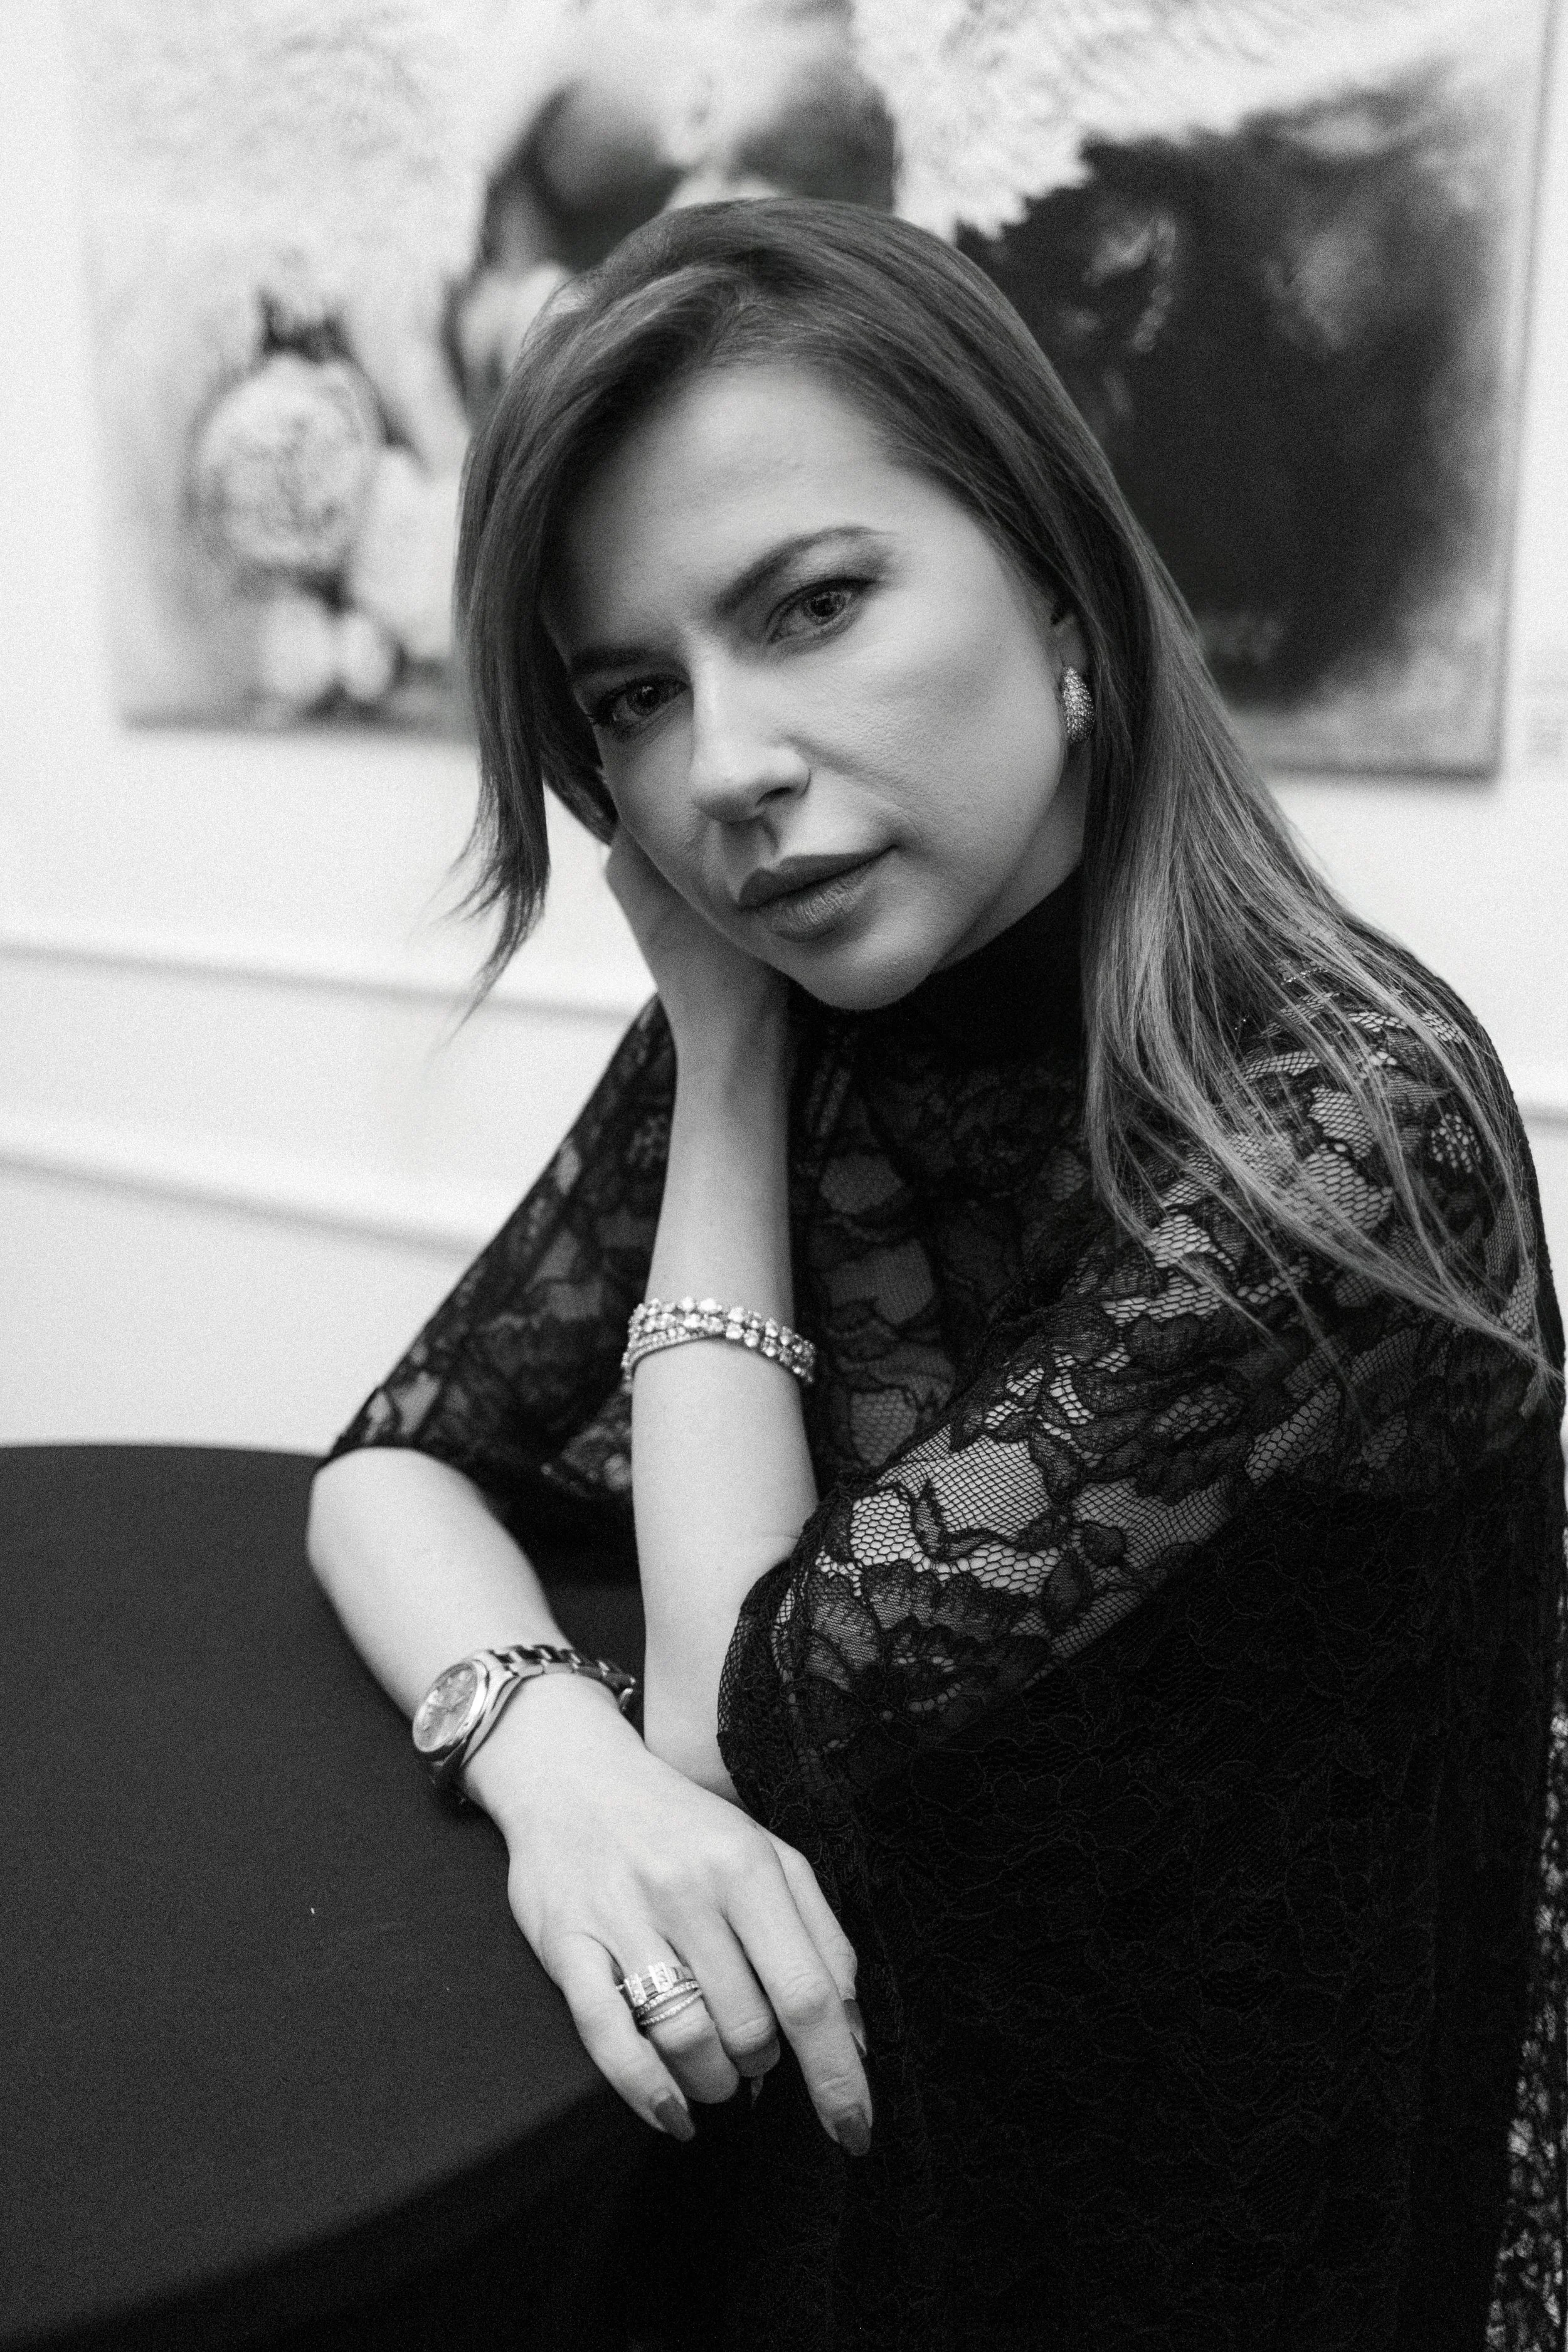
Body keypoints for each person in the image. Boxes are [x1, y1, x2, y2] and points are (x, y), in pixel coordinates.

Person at [307, 199, 1567, 2350]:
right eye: (635, 695)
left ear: (1064, 593)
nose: (724, 772)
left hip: (1232, 2204)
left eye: (810, 606)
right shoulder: (834, 990)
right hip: (890, 2122)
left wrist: (714, 1066)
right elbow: (388, 1472)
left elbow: (745, 1722)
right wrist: (549, 1764)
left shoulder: (1349, 1114)